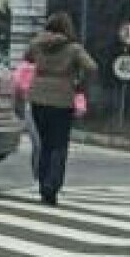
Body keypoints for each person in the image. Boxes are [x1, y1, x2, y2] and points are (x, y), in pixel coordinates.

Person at [24, 11, 97, 205]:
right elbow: (91, 67)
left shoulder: (37, 44)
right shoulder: (73, 49)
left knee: (45, 144)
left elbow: (27, 58)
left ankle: (42, 184)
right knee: (59, 145)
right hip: (62, 99)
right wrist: (81, 86)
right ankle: (52, 186)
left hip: (37, 97)